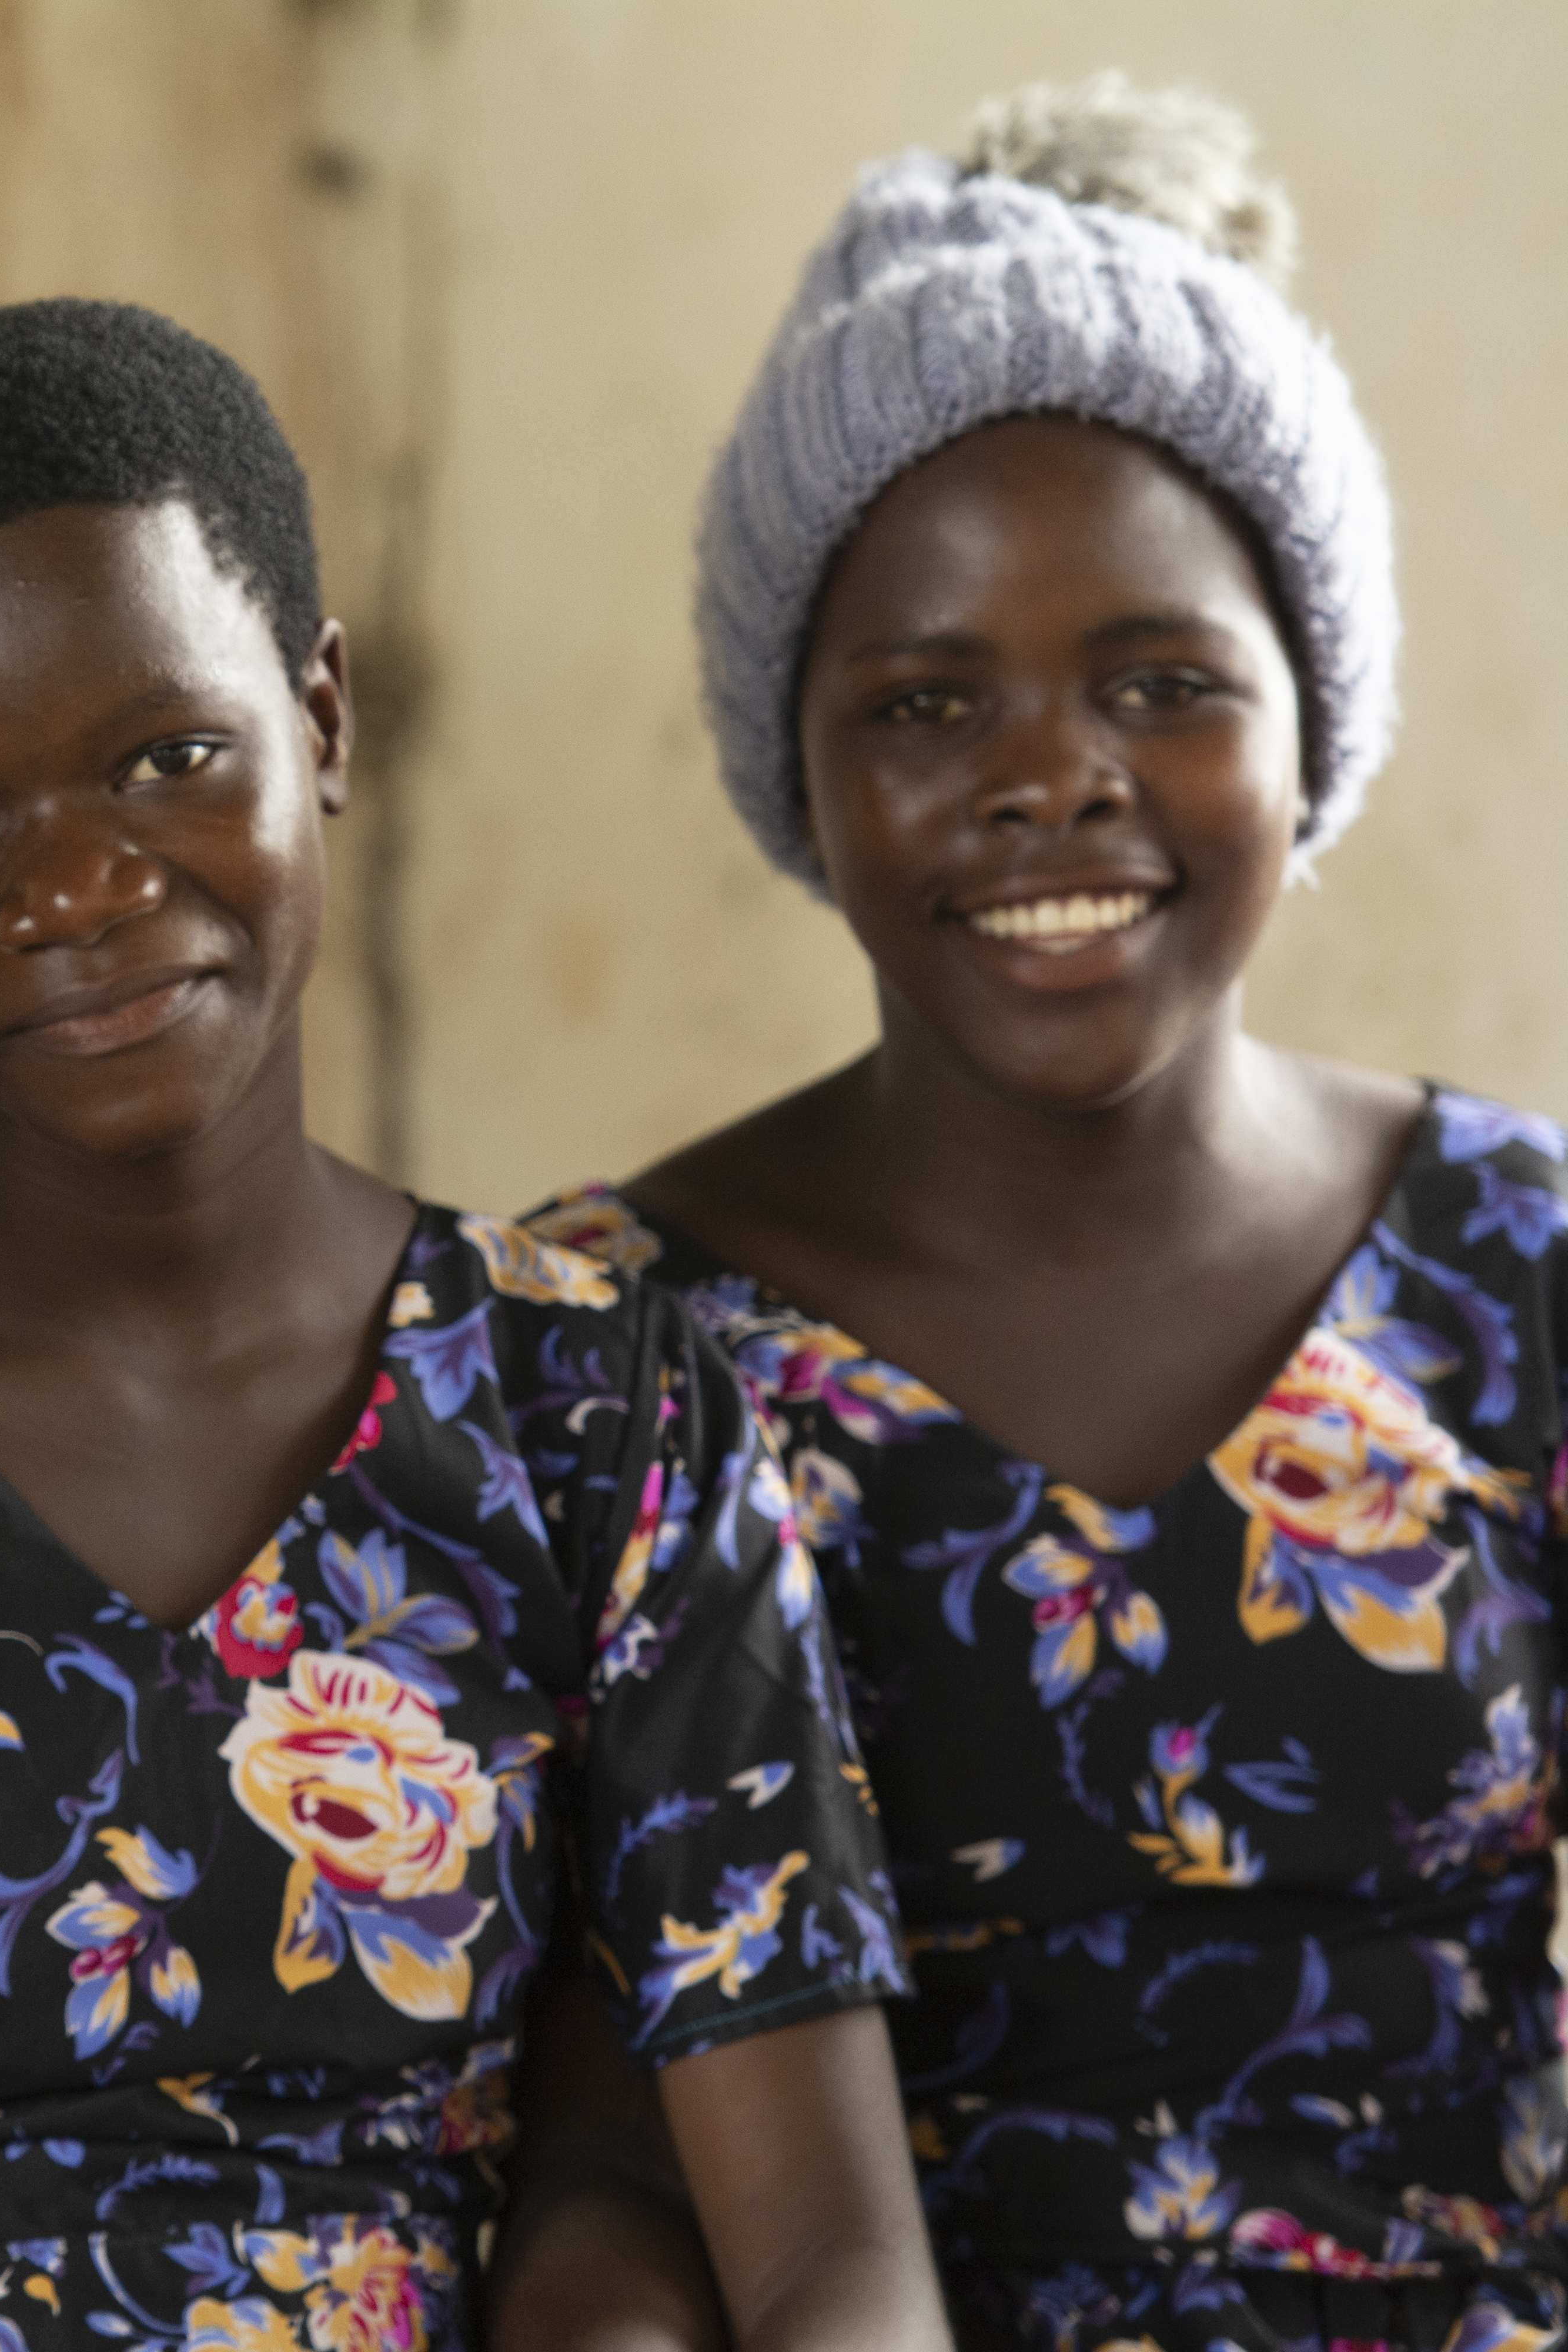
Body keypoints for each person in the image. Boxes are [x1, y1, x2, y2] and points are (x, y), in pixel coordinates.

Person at [0, 299, 945, 2352]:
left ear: (321, 720)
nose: (70, 887)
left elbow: (831, 2255)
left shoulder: (592, 1407)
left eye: (168, 757)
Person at [530, 78, 1568, 2352]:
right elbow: (593, 2151)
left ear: (1313, 724)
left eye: (1164, 684)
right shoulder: (593, 1344)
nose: (1051, 777)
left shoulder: (1518, 1268)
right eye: (928, 701)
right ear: (797, 764)